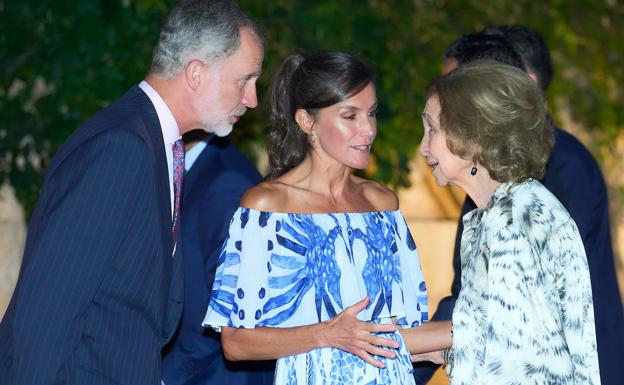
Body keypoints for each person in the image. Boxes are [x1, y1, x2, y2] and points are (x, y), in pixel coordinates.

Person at [0, 1, 263, 384]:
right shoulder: (122, 147)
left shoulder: (154, 144)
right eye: (245, 80)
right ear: (195, 73)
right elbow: (47, 310)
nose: (252, 98)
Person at [414, 25, 624, 385]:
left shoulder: (521, 211)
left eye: (434, 127)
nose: (423, 146)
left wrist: (383, 341)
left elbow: (489, 326)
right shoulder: (494, 209)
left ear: (475, 127)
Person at [202, 51, 429, 384]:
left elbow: (400, 332)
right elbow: (236, 342)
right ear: (307, 122)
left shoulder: (383, 204)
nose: (368, 129)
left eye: (371, 113)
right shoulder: (267, 207)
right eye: (350, 115)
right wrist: (326, 334)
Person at [161, 131, 275, 384]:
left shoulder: (228, 180)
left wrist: (166, 376)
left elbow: (229, 310)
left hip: (210, 375)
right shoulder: (193, 167)